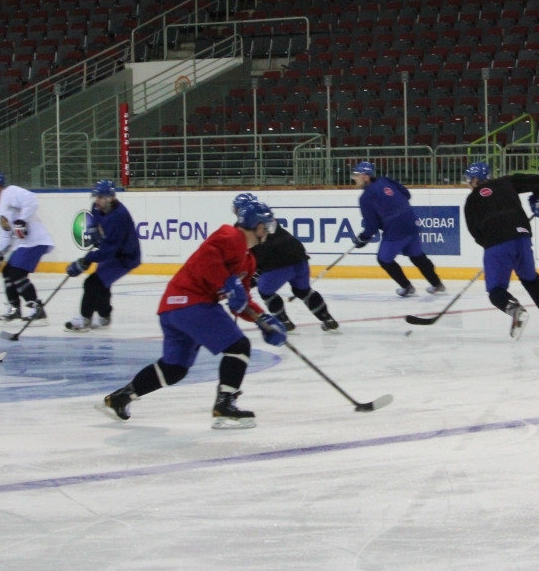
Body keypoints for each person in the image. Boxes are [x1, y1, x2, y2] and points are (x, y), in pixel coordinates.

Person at [98, 200, 287, 429]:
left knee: (174, 369)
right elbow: (207, 260)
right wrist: (227, 283)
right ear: (257, 226)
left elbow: (241, 300)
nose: (267, 231)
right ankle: (224, 406)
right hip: (192, 303)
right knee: (238, 347)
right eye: (266, 225)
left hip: (172, 307)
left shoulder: (248, 259)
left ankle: (119, 398)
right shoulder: (229, 236)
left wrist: (262, 319)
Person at [462, 161, 539, 339]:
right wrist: (537, 199)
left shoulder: (471, 201)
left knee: (496, 291)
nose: (469, 183)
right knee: (530, 278)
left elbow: (475, 232)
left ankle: (515, 310)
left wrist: (492, 247)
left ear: (476, 180)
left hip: (496, 245)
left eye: (469, 179)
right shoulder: (505, 182)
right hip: (522, 237)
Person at [235, 193, 340, 332]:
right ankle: (327, 318)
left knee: (265, 292)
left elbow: (255, 253)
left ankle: (284, 321)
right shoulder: (267, 217)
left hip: (278, 264)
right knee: (303, 290)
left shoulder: (245, 226)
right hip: (299, 256)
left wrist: (251, 276)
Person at [351, 161, 445, 297]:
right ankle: (437, 284)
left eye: (357, 175)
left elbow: (371, 225)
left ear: (365, 176)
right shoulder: (385, 180)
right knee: (417, 255)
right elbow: (406, 194)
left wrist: (363, 238)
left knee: (384, 259)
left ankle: (407, 287)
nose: (354, 178)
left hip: (395, 229)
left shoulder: (365, 197)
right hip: (411, 221)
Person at [64, 179, 142, 332]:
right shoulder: (97, 207)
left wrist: (85, 261)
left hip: (126, 257)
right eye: (96, 197)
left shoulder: (119, 216)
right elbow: (94, 220)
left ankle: (85, 320)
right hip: (113, 251)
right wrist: (94, 232)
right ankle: (105, 316)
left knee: (92, 283)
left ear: (111, 198)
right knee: (101, 284)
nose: (97, 200)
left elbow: (108, 251)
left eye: (100, 197)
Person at [0, 170, 55, 325]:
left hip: (35, 240)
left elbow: (31, 200)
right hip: (24, 243)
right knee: (8, 271)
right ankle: (15, 309)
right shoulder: (0, 210)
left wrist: (22, 220)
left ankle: (37, 310)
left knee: (16, 273)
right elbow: (6, 235)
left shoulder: (10, 192)